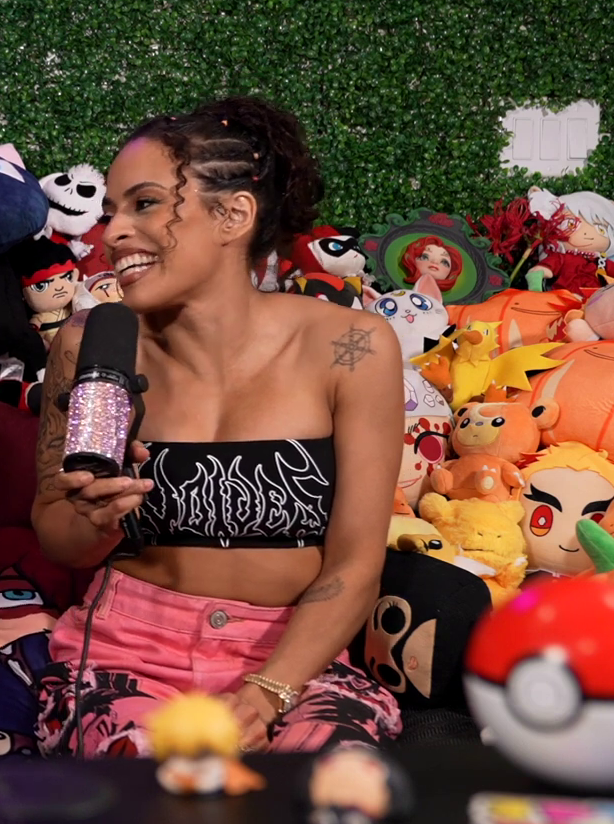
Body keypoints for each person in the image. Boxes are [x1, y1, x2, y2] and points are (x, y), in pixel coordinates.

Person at [32, 97, 404, 758]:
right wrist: (95, 520)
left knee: (329, 786)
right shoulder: (90, 342)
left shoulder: (353, 346)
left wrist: (266, 694)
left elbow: (355, 562)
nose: (113, 233)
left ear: (233, 215)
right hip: (124, 653)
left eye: (145, 204)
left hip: (297, 659)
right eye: (111, 212)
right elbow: (58, 538)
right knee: (160, 784)